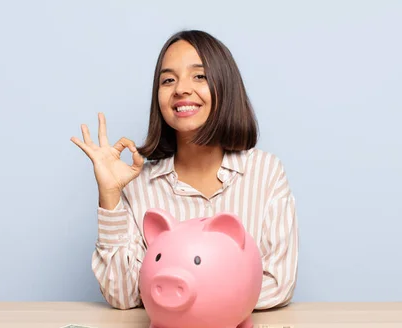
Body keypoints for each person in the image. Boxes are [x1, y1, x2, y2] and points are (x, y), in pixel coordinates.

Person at [71, 30, 298, 311]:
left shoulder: (266, 172)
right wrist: (110, 196)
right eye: (168, 80)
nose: (181, 89)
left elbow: (278, 284)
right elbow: (124, 295)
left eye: (199, 76)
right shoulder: (138, 184)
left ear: (225, 86)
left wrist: (180, 301)